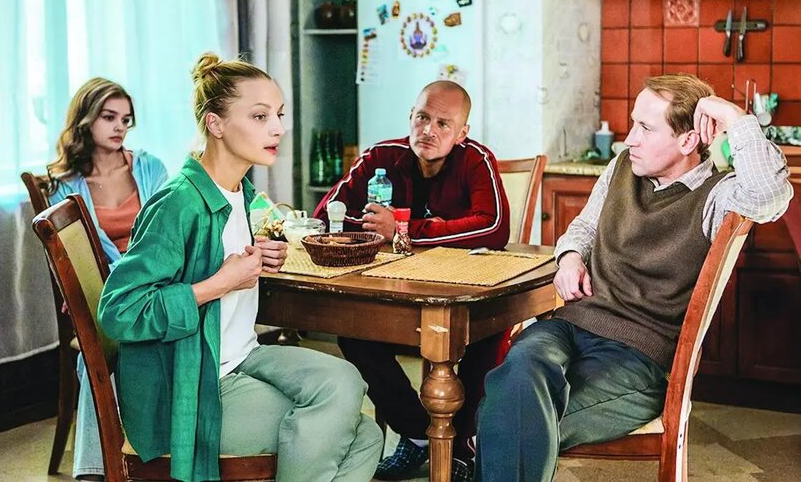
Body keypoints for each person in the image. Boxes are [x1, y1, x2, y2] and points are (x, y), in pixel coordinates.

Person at [474, 74, 793, 482]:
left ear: (688, 140)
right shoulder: (621, 167)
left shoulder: (717, 196)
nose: (629, 140)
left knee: (504, 415)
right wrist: (569, 258)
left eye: (645, 128)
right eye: (632, 124)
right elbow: (584, 228)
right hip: (569, 326)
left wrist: (733, 116)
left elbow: (770, 195)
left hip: (637, 358)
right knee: (519, 368)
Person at [98, 53, 383, 482]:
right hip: (192, 388)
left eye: (279, 115)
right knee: (358, 433)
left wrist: (257, 262)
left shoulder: (240, 194)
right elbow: (119, 311)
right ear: (215, 124)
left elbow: (227, 265)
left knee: (347, 383)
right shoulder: (178, 203)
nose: (278, 129)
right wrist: (218, 283)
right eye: (260, 116)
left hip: (240, 356)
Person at [313, 80, 510, 482]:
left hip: (460, 299)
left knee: (488, 329)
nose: (428, 130)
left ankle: (462, 447)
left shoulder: (476, 160)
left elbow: (492, 227)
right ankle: (418, 434)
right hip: (398, 299)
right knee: (353, 331)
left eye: (443, 124)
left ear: (462, 133)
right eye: (422, 117)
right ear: (410, 117)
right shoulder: (382, 156)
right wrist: (380, 228)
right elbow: (326, 214)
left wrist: (403, 228)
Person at [47, 77, 168, 481]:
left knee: (96, 354)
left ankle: (98, 471)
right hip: (104, 295)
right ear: (85, 120)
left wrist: (144, 274)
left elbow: (168, 233)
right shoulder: (64, 186)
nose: (119, 127)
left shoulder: (150, 167)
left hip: (154, 283)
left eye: (126, 119)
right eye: (109, 117)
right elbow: (74, 256)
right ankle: (102, 470)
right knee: (97, 350)